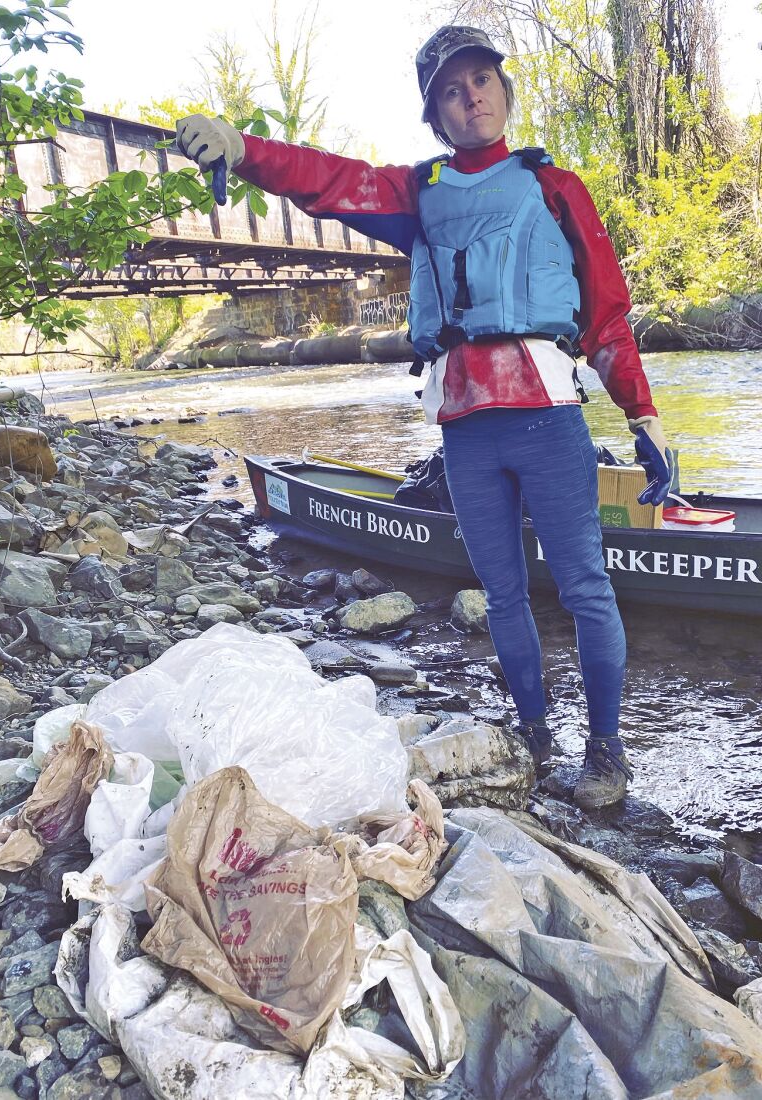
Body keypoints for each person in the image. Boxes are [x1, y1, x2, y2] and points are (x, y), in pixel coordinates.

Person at [175, 25, 673, 810]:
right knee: (503, 595)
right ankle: (536, 737)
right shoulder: (418, 195)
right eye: (450, 88)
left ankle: (606, 750)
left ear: (505, 94)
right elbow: (328, 181)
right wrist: (243, 148)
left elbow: (607, 318)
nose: (470, 94)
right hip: (466, 429)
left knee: (585, 588)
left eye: (481, 80)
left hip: (548, 420)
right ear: (435, 116)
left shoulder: (557, 189)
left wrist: (644, 419)